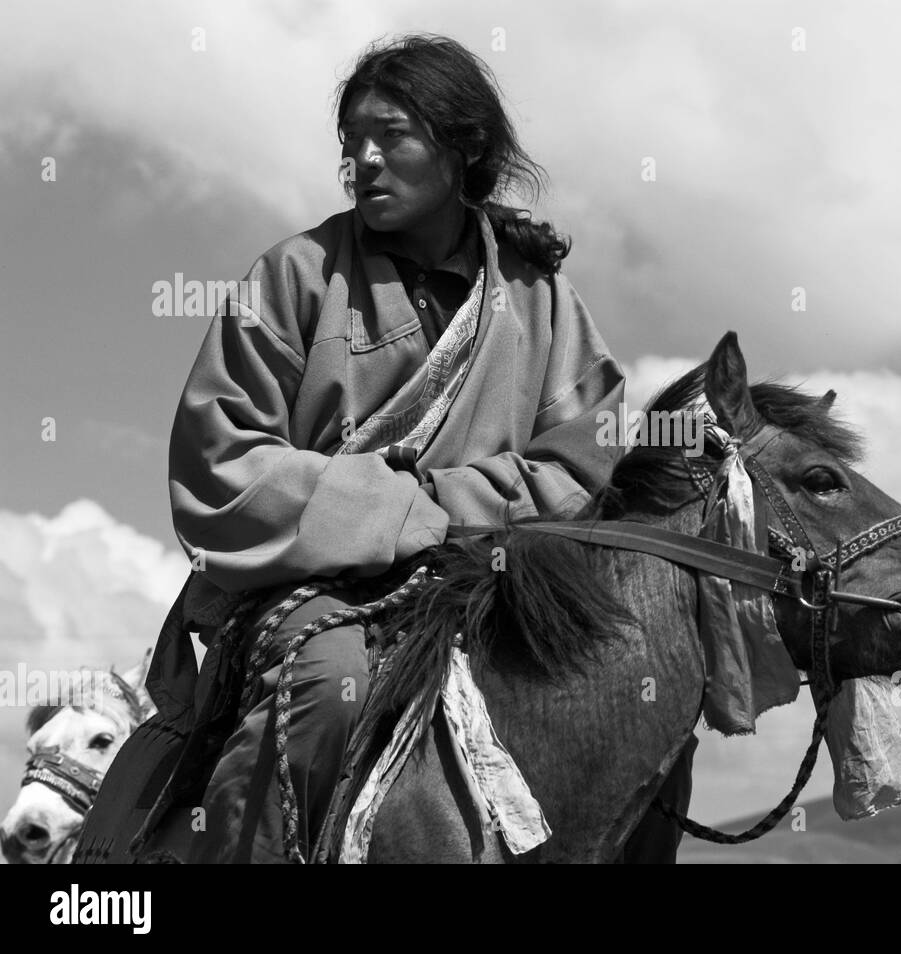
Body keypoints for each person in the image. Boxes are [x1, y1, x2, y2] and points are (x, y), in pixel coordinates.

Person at [91, 34, 656, 864]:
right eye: (352, 140)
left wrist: (446, 512)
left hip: (499, 589)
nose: (364, 158)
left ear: (465, 148)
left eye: (391, 135)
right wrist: (392, 511)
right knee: (331, 686)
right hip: (315, 591)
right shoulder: (296, 275)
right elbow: (221, 463)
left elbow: (585, 463)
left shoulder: (541, 301)